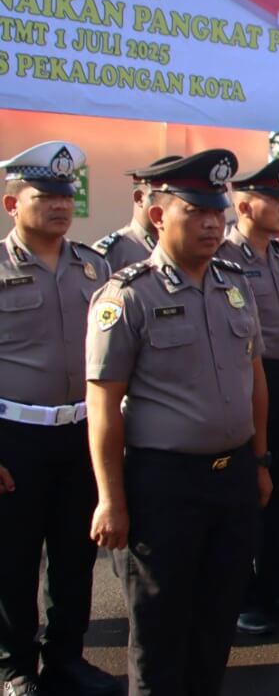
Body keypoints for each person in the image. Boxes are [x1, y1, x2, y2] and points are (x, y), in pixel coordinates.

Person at [85, 149, 271, 696]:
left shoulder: (235, 283)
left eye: (217, 211)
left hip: (232, 477)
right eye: (197, 211)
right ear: (161, 214)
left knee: (216, 622)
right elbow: (102, 404)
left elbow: (253, 376)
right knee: (161, 631)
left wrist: (259, 461)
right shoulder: (126, 295)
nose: (214, 223)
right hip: (164, 486)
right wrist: (110, 498)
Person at [0, 142, 117, 696]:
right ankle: (14, 666)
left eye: (66, 197)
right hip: (15, 437)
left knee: (75, 555)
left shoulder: (94, 265)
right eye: (44, 196)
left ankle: (66, 656)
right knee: (13, 559)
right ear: (10, 203)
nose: (59, 206)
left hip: (81, 433)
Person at [220, 158, 279, 636]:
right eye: (273, 199)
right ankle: (243, 594)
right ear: (243, 205)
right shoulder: (223, 258)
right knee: (249, 493)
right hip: (246, 382)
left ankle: (278, 588)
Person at [93, 157, 171, 269]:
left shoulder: (188, 250)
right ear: (139, 198)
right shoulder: (114, 252)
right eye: (163, 197)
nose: (170, 205)